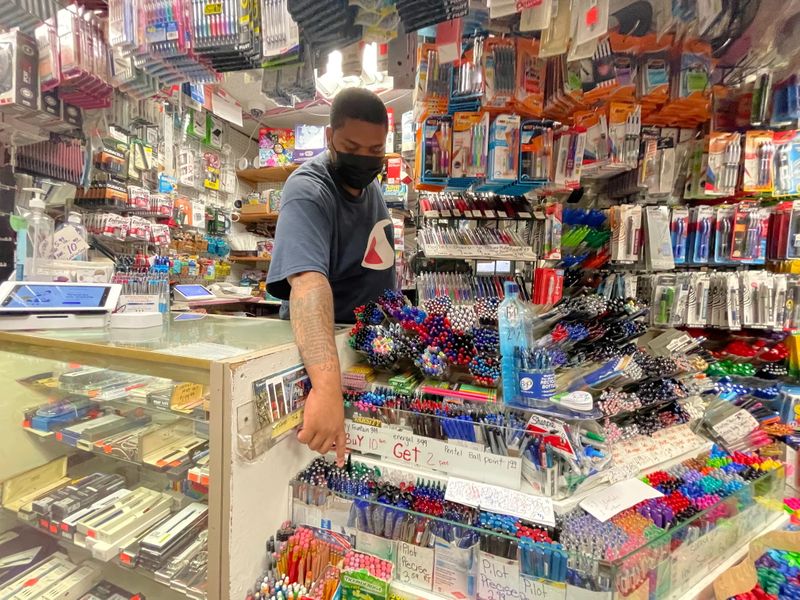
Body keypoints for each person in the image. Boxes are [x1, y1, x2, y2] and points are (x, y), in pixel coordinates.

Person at [267, 88, 395, 466]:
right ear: (329, 138)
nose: (364, 158)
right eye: (351, 146)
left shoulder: (371, 185)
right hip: (324, 362)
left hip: (360, 355)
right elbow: (307, 284)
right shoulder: (308, 189)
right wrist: (326, 388)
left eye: (375, 151)